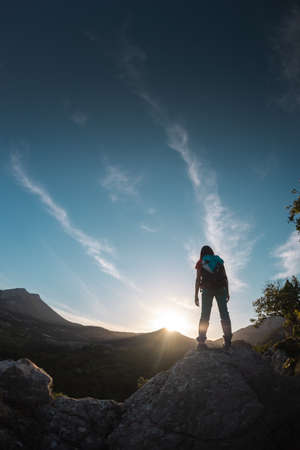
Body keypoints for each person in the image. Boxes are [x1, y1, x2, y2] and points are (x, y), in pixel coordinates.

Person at [194, 245, 232, 350]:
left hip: (207, 290)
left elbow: (197, 280)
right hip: (221, 289)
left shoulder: (201, 262)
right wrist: (227, 292)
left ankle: (201, 342)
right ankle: (228, 341)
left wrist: (196, 295)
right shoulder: (218, 260)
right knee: (224, 314)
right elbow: (225, 278)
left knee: (205, 316)